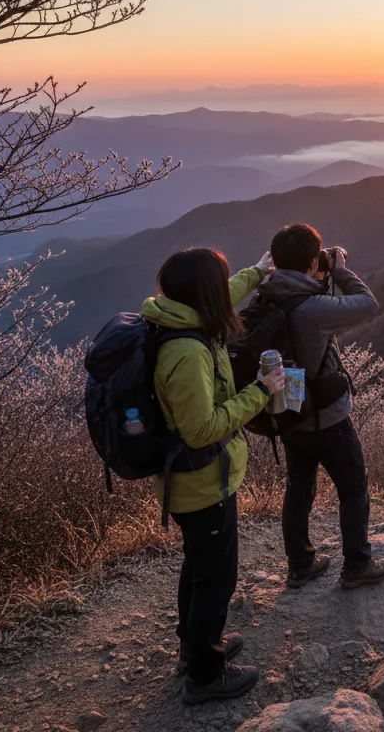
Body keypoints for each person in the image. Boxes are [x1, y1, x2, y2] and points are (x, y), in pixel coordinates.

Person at [145, 247, 285, 706]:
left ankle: (193, 647)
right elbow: (200, 429)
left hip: (195, 484)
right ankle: (204, 675)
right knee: (217, 578)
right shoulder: (187, 352)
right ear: (205, 295)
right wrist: (261, 392)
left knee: (200, 567)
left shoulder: (180, 318)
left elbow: (226, 293)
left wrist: (259, 272)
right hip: (201, 484)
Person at [263, 223, 384, 591]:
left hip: (287, 410)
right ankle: (357, 566)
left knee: (299, 487)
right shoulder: (313, 309)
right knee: (353, 489)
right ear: (311, 261)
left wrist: (315, 274)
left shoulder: (265, 294)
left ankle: (300, 564)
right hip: (327, 417)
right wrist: (339, 271)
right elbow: (368, 303)